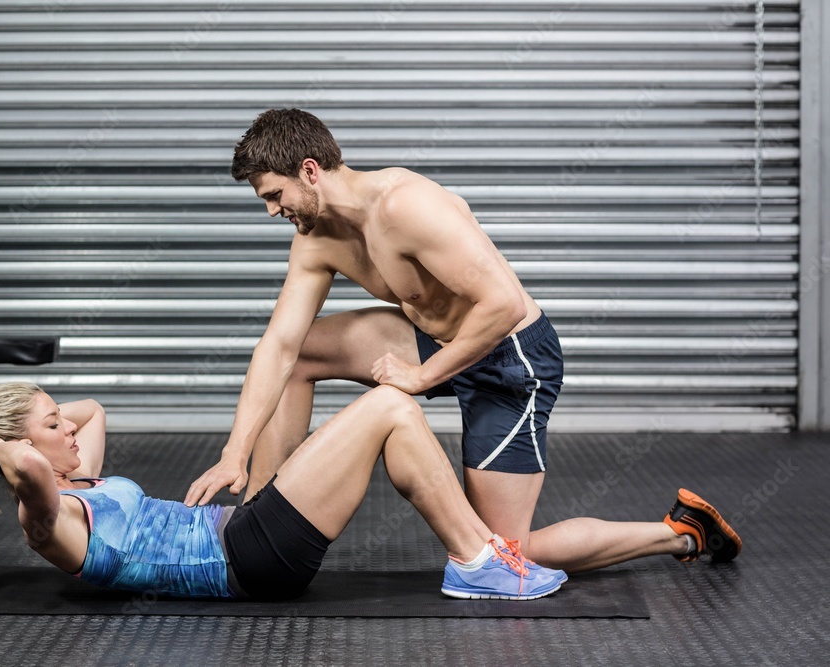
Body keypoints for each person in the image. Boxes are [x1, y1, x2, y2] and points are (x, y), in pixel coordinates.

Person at [185, 108, 742, 572]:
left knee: (507, 551)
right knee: (302, 350)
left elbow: (504, 304)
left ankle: (679, 533)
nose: (272, 210)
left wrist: (423, 377)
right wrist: (235, 452)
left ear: (309, 170)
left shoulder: (405, 205)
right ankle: (253, 527)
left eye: (274, 194)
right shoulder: (316, 239)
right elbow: (279, 346)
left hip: (511, 358)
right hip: (434, 339)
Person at [0, 381, 570, 601]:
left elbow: (93, 409)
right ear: (21, 451)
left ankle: (480, 555)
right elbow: (32, 472)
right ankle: (477, 562)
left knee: (389, 416)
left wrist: (40, 419)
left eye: (56, 417)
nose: (68, 426)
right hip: (247, 559)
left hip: (244, 530)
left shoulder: (80, 477)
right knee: (390, 407)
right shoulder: (47, 516)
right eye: (51, 425)